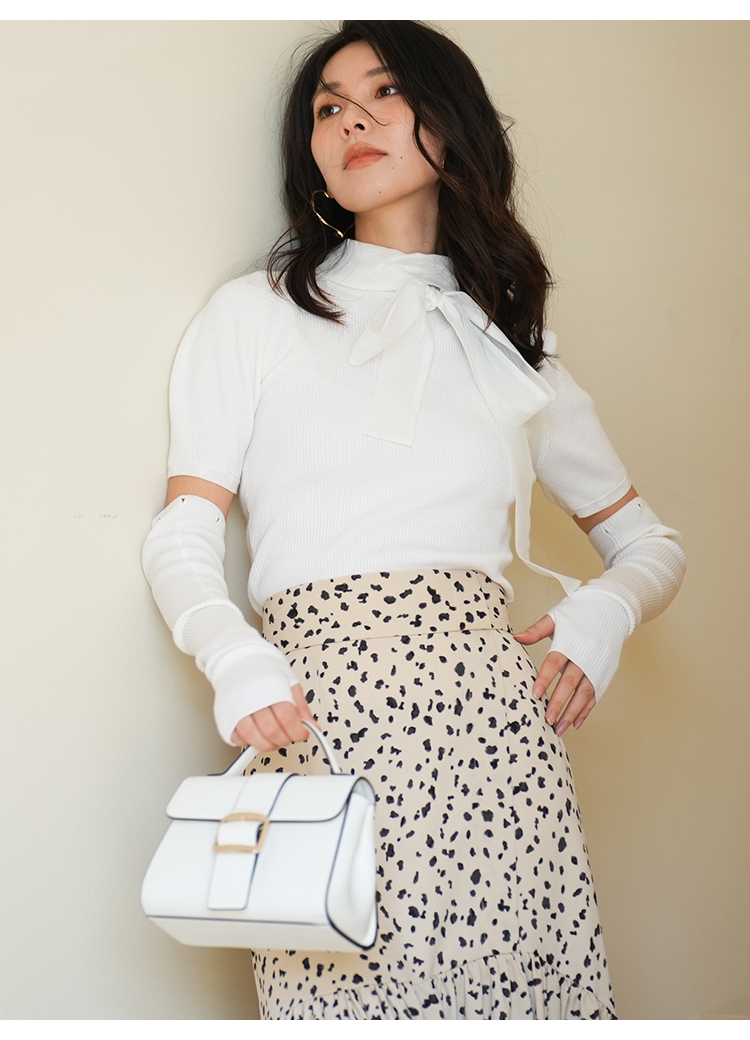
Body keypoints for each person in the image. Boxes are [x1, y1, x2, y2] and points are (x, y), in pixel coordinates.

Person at [142, 20, 685, 1021]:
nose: (351, 118)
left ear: (451, 119)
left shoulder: (516, 352)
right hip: (321, 727)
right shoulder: (254, 314)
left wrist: (604, 614)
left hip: (501, 743)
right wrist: (233, 656)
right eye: (328, 107)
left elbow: (651, 544)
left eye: (384, 91)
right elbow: (180, 532)